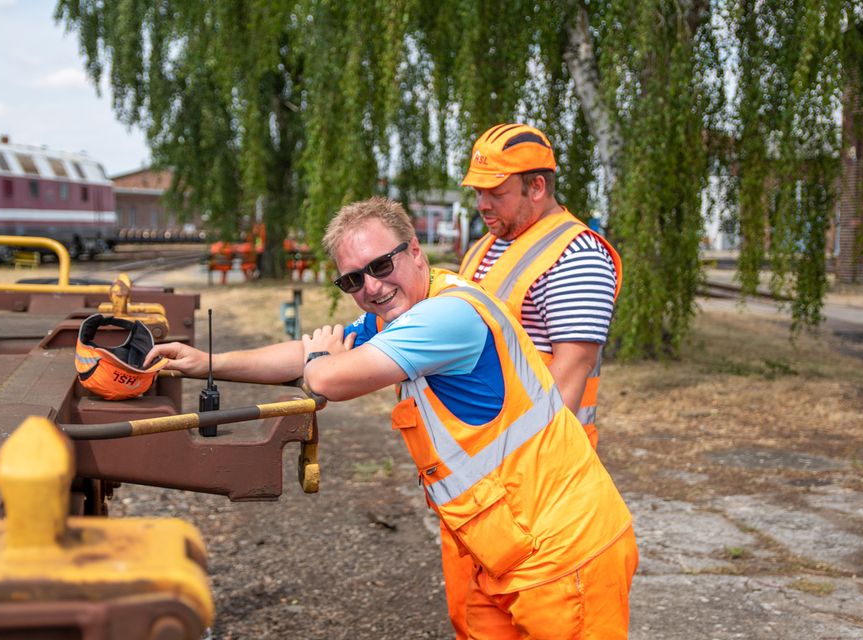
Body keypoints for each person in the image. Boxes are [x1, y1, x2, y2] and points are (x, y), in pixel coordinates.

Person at [145, 197, 637, 639]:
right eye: (353, 279)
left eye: (382, 265)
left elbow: (326, 378)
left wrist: (320, 364)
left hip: (563, 551)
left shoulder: (447, 317)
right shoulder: (401, 312)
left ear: (416, 252)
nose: (373, 287)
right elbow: (303, 354)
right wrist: (207, 361)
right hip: (508, 548)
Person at [442, 123, 624, 638]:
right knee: (478, 621)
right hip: (479, 484)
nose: (482, 202)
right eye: (478, 190)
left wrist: (509, 482)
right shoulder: (483, 250)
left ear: (537, 187)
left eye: (496, 191)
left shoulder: (577, 256)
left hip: (538, 485)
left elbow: (566, 384)